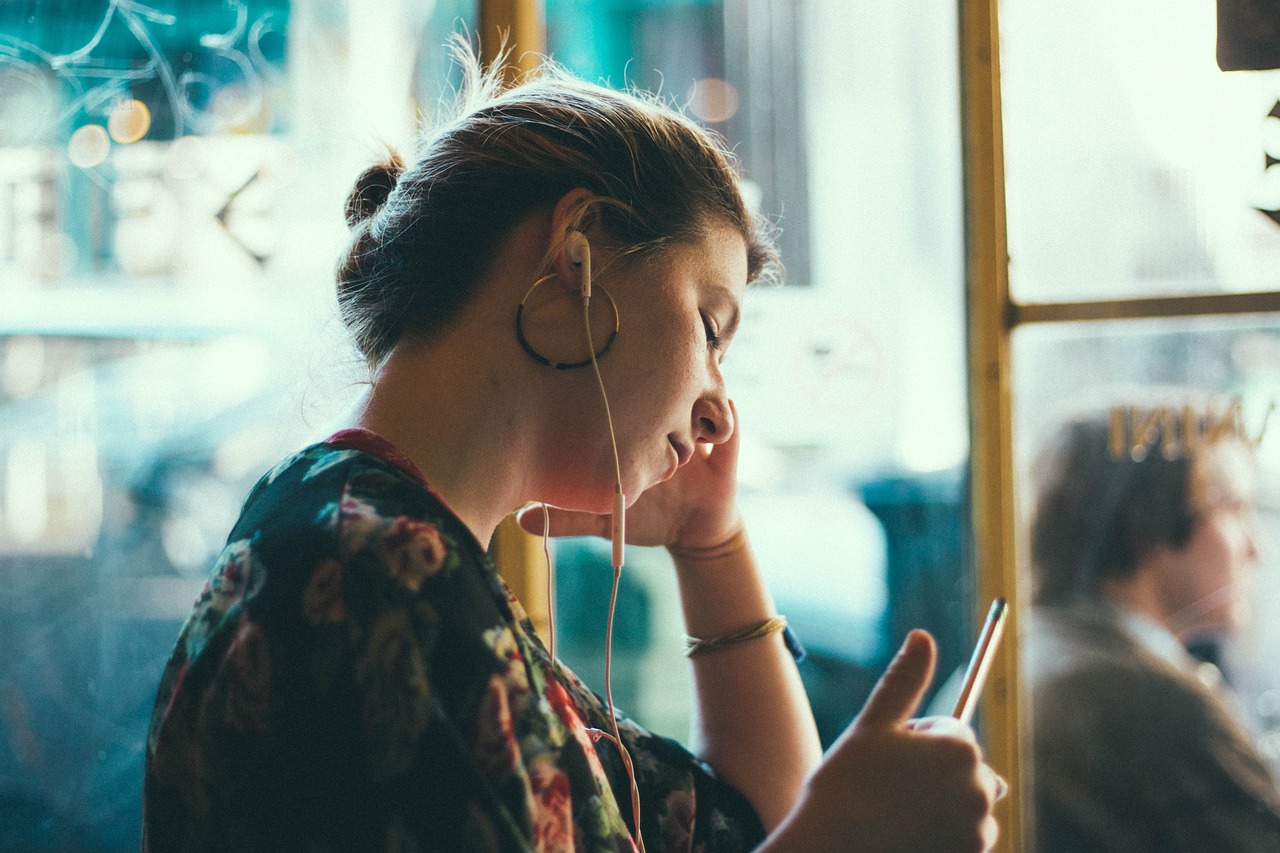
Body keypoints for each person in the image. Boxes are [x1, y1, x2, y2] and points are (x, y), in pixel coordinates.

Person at [143, 43, 1004, 852]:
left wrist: (712, 541)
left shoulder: (359, 528)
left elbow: (750, 821)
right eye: (710, 326)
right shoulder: (388, 577)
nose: (718, 412)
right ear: (576, 254)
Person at [1023, 395, 1280, 852]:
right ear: (1154, 523)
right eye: (1234, 509)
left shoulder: (1032, 649)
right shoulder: (1147, 698)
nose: (1255, 547)